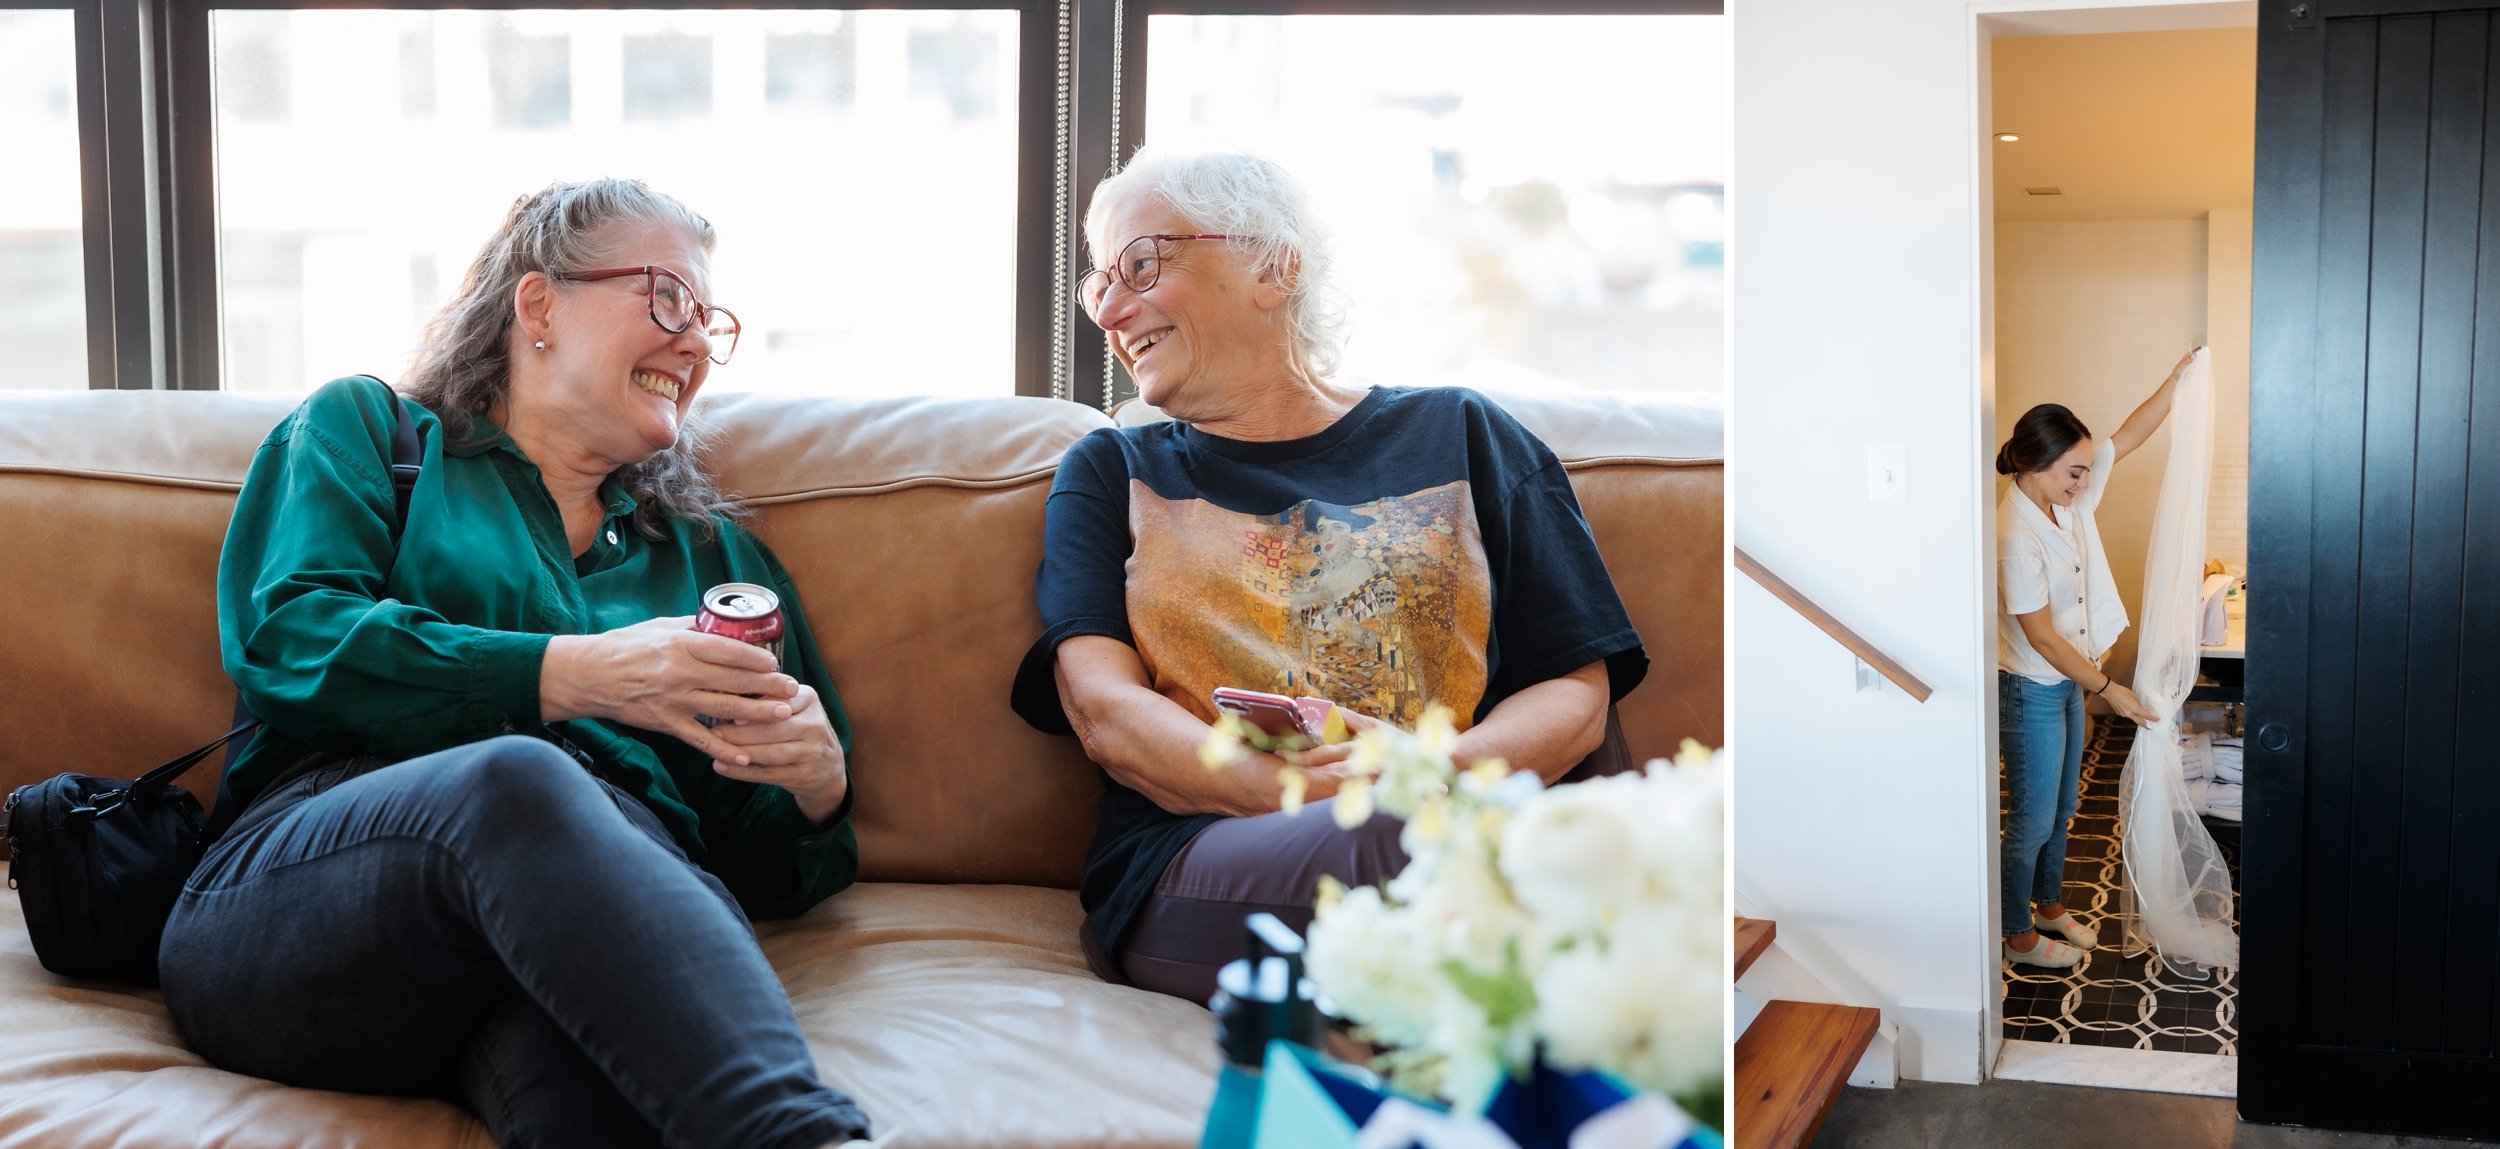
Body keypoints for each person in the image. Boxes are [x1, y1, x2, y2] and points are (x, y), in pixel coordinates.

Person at [162, 178, 874, 1149]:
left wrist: (814, 790)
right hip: (318, 910)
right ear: (537, 305)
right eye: (668, 298)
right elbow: (289, 638)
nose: (696, 342)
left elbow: (767, 873)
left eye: (711, 322)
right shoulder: (369, 436)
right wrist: (571, 674)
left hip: (574, 945)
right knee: (522, 780)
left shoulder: (714, 562)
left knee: (604, 1104)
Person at [1009, 151, 1649, 1003]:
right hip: (1199, 860)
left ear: (1275, 266)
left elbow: (1578, 693)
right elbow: (1104, 710)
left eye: (1143, 264)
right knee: (1406, 844)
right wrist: (1300, 793)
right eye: (1100, 286)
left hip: (1447, 823)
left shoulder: (1462, 433)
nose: (1112, 309)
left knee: (1448, 841)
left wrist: (1432, 780)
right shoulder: (1110, 471)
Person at [1994, 348, 2196, 969]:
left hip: (2067, 680)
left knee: (2064, 805)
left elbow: (2129, 434)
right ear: (2032, 463)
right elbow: (2042, 637)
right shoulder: (2013, 534)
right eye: (2072, 472)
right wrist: (2109, 687)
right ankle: (2015, 935)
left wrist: (2180, 379)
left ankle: (2048, 905)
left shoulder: (2067, 499)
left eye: (2085, 471)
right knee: (2029, 820)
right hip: (2031, 685)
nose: (2085, 483)